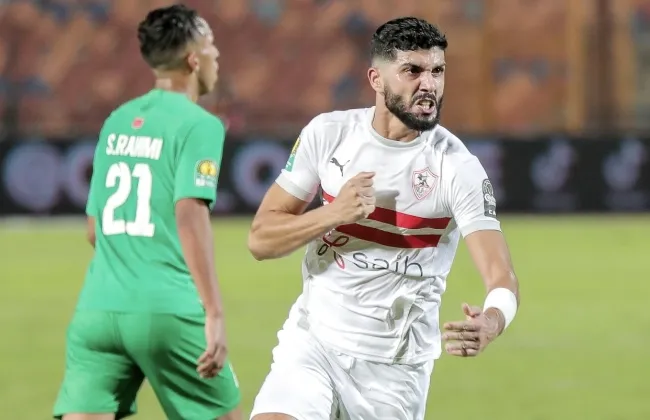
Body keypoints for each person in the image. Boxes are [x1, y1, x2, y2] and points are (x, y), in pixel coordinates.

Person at [247, 17, 520, 420]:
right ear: (376, 78)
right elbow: (260, 240)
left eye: (437, 71)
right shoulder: (328, 134)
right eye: (413, 70)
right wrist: (333, 213)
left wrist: (492, 322)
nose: (429, 84)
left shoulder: (457, 168)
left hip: (393, 372)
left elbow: (501, 275)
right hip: (312, 344)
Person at [53, 5, 241, 420]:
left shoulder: (117, 120)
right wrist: (213, 312)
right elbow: (190, 213)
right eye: (211, 45)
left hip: (97, 310)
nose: (216, 55)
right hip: (165, 309)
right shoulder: (200, 125)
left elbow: (94, 230)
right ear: (194, 60)